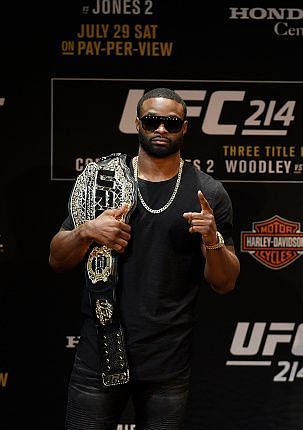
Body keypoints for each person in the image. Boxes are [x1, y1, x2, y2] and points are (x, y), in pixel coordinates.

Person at [49, 87, 240, 429]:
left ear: (184, 127)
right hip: (100, 350)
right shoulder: (102, 182)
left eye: (171, 122)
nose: (161, 129)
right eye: (152, 120)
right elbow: (57, 259)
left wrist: (212, 240)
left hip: (167, 360)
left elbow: (225, 282)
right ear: (137, 123)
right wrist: (86, 231)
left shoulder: (207, 193)